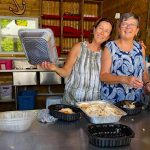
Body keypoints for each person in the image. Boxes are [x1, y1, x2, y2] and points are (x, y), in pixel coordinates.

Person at [40, 18, 113, 105]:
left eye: (106, 31)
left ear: (108, 37)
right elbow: (65, 72)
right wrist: (54, 67)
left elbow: (106, 78)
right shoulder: (79, 47)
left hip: (93, 105)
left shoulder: (106, 54)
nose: (102, 33)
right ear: (94, 29)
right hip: (72, 102)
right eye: (100, 28)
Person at [100, 12, 150, 104]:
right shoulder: (110, 47)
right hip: (113, 102)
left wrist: (147, 83)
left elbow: (144, 72)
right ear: (119, 29)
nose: (128, 27)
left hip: (136, 102)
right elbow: (103, 76)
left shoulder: (140, 48)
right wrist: (125, 79)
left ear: (137, 30)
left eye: (132, 24)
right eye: (124, 24)